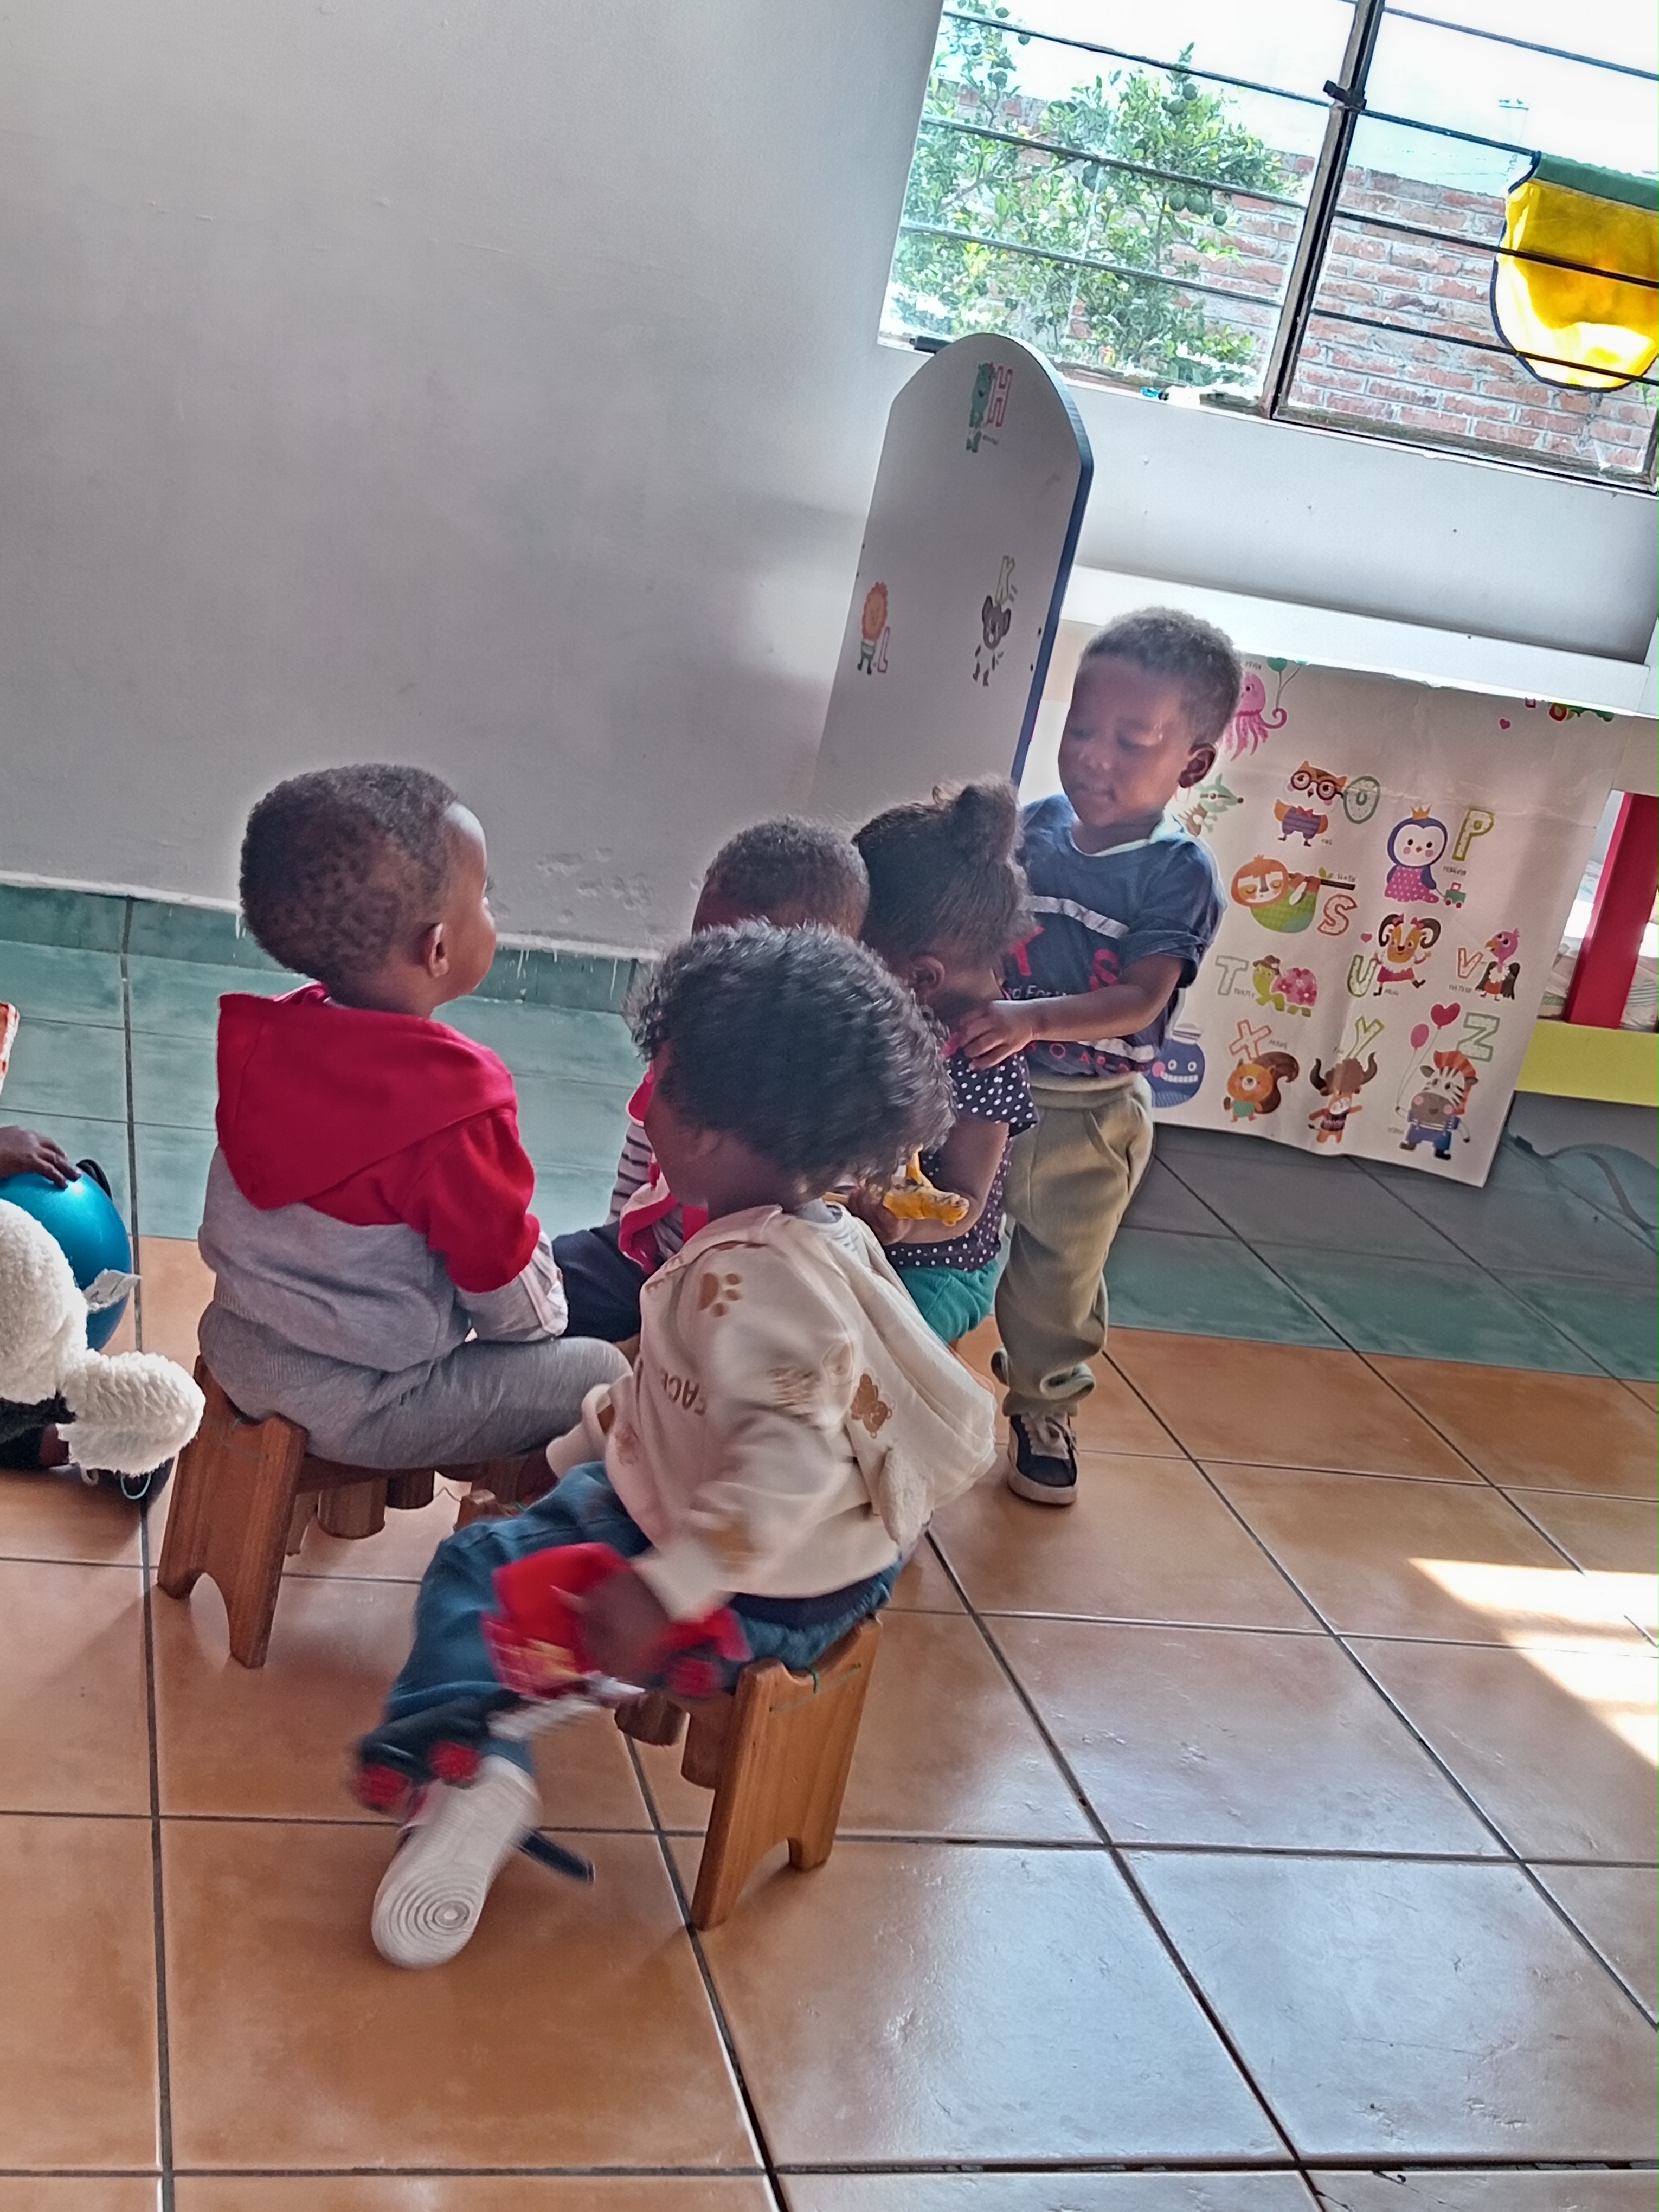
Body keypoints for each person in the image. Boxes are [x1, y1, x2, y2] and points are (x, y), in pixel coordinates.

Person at [367, 923, 996, 1968]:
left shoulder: (748, 1285)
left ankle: (464, 1762)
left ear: (707, 1135)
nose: (642, 1101)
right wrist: (573, 1457)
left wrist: (669, 1589)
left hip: (767, 1580)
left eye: (657, 1081)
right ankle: (521, 1722)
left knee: (475, 1570)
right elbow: (677, 1402)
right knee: (531, 1538)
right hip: (793, 1548)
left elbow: (788, 1463)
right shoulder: (809, 1233)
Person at [195, 766, 628, 1471]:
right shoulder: (454, 1108)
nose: (491, 912)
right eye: (484, 899)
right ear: (438, 950)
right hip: (367, 1403)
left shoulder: (265, 1043)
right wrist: (553, 1318)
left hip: (241, 1350)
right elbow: (509, 1302)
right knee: (601, 1373)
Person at [957, 609, 1238, 1507]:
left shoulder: (1176, 873)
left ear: (1192, 763)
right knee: (936, 1239)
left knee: (1058, 1278)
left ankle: (1044, 1405)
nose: (1092, 758)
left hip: (1090, 1118)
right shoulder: (1032, 830)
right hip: (980, 1090)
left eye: (1129, 741)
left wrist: (1033, 1019)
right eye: (1080, 729)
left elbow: (1143, 998)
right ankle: (895, 1377)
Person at [551, 819, 869, 1343]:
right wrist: (622, 1237)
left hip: (749, 1299)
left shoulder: (835, 1095)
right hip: (653, 1261)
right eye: (702, 950)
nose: (708, 981)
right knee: (550, 1282)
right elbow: (642, 1151)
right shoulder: (690, 1032)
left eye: (739, 961)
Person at [852, 779, 1036, 1345]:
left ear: (920, 976)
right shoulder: (898, 1011)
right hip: (858, 1238)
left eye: (856, 956)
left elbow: (966, 1200)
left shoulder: (984, 1057)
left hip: (937, 1267)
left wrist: (902, 1227)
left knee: (885, 1354)